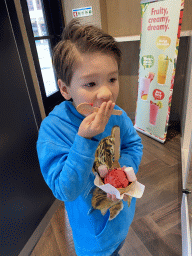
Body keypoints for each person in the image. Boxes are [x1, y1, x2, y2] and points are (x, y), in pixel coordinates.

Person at [36, 19, 143, 256]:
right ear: (65, 89)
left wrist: (124, 170)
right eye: (91, 83)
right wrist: (84, 139)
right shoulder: (53, 130)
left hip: (122, 217)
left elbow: (133, 143)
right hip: (92, 236)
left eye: (112, 79)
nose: (106, 93)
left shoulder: (118, 115)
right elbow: (65, 190)